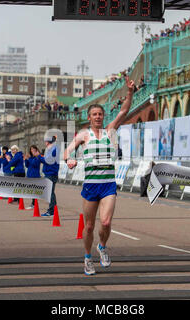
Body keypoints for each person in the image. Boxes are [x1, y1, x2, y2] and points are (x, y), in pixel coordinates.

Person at [64, 76, 135, 276]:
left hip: (108, 185)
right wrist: (69, 160)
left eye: (100, 114)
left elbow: (124, 111)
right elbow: (67, 152)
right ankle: (88, 257)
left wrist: (130, 92)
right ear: (89, 117)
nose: (97, 117)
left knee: (105, 223)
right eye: (94, 114)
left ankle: (102, 247)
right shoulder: (83, 135)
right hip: (90, 186)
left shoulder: (110, 132)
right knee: (88, 226)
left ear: (103, 117)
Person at [37, 136, 59, 217]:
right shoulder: (51, 149)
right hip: (50, 172)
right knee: (51, 193)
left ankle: (51, 211)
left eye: (46, 141)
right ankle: (53, 210)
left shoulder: (53, 149)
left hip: (51, 173)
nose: (45, 143)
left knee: (50, 193)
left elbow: (48, 160)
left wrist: (39, 156)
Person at [24, 145, 42, 209]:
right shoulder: (31, 158)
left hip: (35, 175)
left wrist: (29, 159)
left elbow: (35, 164)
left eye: (34, 149)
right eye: (31, 149)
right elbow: (27, 165)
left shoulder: (37, 157)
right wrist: (26, 159)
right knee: (32, 190)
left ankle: (34, 203)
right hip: (29, 175)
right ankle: (33, 203)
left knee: (34, 190)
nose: (32, 150)